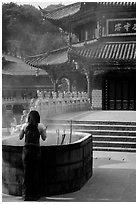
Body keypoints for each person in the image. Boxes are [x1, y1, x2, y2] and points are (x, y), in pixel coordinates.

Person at [19, 110, 47, 201]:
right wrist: (44, 130)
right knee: (35, 173)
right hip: (36, 151)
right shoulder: (40, 126)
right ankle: (35, 195)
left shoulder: (25, 126)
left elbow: (20, 137)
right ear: (38, 117)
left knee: (26, 173)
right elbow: (44, 138)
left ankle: (25, 195)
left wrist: (21, 130)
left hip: (26, 151)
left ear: (29, 117)